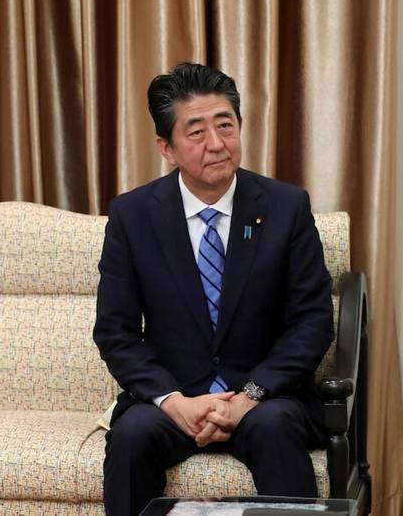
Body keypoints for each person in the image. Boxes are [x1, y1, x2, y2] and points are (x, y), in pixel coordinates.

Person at [93, 63, 334, 515]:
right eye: (197, 132)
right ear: (167, 148)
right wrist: (174, 401)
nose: (217, 144)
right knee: (132, 436)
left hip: (263, 399)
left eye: (225, 125)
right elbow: (115, 332)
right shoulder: (132, 216)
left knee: (277, 426)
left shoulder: (285, 207)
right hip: (175, 398)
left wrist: (249, 396)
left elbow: (312, 322)